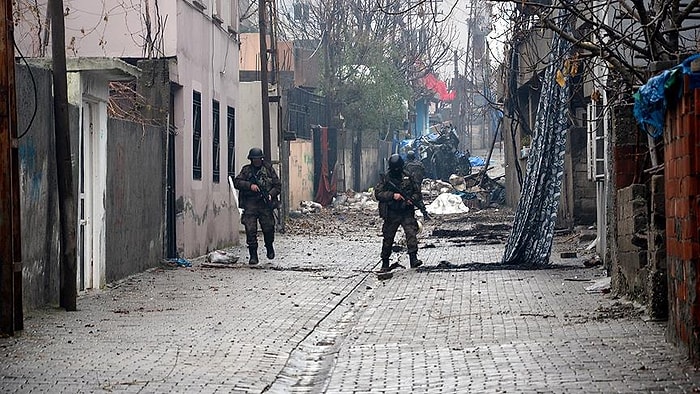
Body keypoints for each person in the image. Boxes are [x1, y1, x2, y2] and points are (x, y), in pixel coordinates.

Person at [374, 154, 424, 272]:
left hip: (406, 211)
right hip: (392, 212)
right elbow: (378, 194)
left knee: (411, 233)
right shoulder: (386, 178)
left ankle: (413, 258)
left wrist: (411, 200)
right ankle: (385, 262)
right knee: (388, 237)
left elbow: (417, 193)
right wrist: (392, 195)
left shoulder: (408, 176)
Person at [233, 147, 282, 265]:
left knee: (269, 228)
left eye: (258, 159)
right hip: (250, 204)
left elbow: (277, 185)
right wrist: (250, 186)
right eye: (254, 159)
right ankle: (253, 255)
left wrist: (271, 194)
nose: (256, 161)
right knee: (250, 230)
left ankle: (269, 246)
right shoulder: (246, 170)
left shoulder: (268, 169)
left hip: (265, 205)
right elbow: (237, 182)